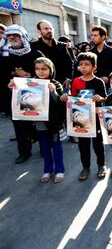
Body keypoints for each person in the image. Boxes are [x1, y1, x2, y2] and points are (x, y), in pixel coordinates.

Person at [60, 52, 107, 180]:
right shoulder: (75, 81)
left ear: (94, 67)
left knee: (98, 144)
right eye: (81, 64)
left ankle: (101, 165)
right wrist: (66, 96)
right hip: (81, 118)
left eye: (87, 64)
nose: (83, 67)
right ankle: (85, 167)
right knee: (83, 145)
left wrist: (101, 98)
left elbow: (105, 100)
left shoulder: (99, 82)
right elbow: (74, 98)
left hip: (95, 118)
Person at [4, 25, 43, 164]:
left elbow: (47, 71)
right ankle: (24, 151)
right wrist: (13, 75)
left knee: (39, 122)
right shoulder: (5, 55)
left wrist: (29, 75)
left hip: (35, 94)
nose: (12, 37)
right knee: (19, 124)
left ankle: (44, 147)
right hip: (14, 95)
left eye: (15, 35)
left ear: (23, 37)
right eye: (9, 35)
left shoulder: (36, 53)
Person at [29, 58, 65, 183]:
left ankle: (59, 170)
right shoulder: (31, 83)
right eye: (37, 69)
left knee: (56, 146)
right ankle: (47, 170)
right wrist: (13, 87)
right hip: (40, 122)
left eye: (44, 69)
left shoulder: (55, 84)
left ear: (51, 70)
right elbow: (21, 97)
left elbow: (61, 103)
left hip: (54, 123)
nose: (40, 72)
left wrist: (53, 92)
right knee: (44, 147)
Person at [30, 20, 73, 89]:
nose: (49, 30)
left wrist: (69, 78)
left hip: (61, 84)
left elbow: (69, 64)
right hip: (41, 84)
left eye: (51, 28)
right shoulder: (33, 46)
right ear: (39, 31)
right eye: (46, 29)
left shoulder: (62, 46)